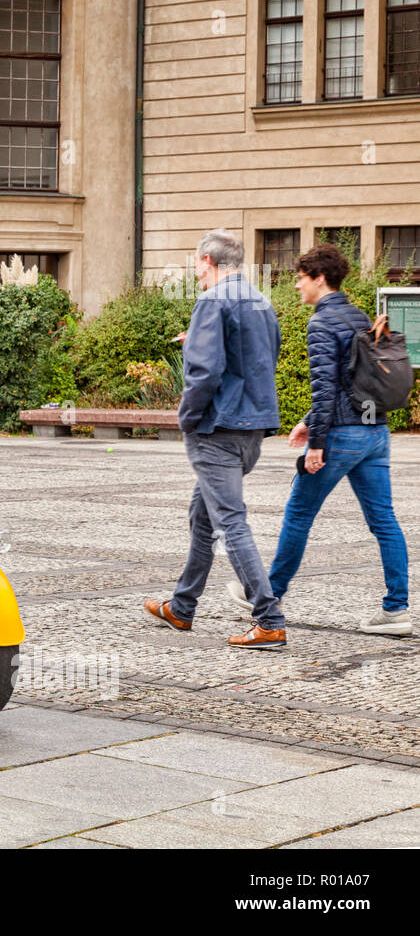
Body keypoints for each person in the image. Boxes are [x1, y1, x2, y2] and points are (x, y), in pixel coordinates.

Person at [231, 243, 409, 635]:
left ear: (319, 279)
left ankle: (268, 594)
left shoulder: (322, 323)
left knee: (298, 515)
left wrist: (317, 444)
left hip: (343, 436)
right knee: (384, 521)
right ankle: (397, 610)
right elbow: (354, 381)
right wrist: (308, 421)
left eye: (300, 278)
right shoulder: (358, 315)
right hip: (375, 432)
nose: (297, 286)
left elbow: (326, 387)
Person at [144, 229, 287, 648]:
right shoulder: (262, 301)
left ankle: (269, 618)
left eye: (196, 267)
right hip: (253, 428)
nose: (196, 275)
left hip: (218, 429)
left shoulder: (211, 301)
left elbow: (204, 374)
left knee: (230, 523)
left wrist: (186, 418)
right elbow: (262, 357)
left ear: (207, 261)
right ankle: (182, 607)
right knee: (202, 516)